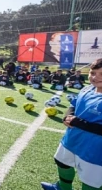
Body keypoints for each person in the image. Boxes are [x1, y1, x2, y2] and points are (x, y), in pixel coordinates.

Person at [41, 58, 102, 190]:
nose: (95, 77)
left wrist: (80, 123)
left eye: (101, 74)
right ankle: (62, 188)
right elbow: (73, 104)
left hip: (95, 149)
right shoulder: (87, 88)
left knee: (91, 181)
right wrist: (67, 115)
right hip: (72, 139)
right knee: (61, 162)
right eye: (93, 73)